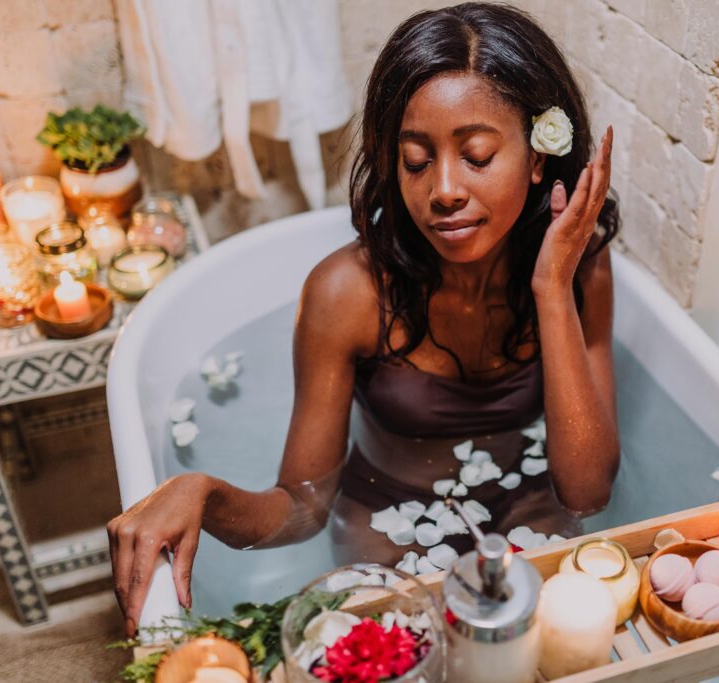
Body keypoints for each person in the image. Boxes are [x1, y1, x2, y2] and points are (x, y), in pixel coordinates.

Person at [106, 2, 621, 637]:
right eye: (415, 159)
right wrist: (203, 492)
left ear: (537, 158)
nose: (444, 189)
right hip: (386, 520)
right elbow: (301, 506)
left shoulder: (577, 267)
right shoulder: (347, 293)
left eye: (479, 155)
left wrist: (550, 288)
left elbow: (587, 493)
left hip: (527, 505)